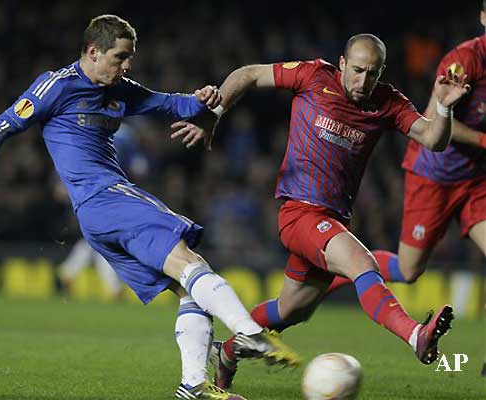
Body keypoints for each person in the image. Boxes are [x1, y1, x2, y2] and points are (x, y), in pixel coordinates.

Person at [0, 14, 300, 400]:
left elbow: (170, 104)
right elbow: (3, 126)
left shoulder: (121, 90)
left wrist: (205, 99)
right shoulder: (57, 85)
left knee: (188, 284)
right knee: (190, 263)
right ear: (93, 51)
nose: (127, 66)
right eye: (120, 57)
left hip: (99, 214)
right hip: (105, 197)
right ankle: (250, 333)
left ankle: (193, 385)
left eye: (129, 58)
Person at [171, 33, 469, 389]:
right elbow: (248, 74)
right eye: (357, 70)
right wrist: (215, 114)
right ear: (342, 63)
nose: (363, 81)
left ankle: (228, 352)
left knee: (291, 309)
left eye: (372, 73)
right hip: (299, 213)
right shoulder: (313, 76)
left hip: (333, 220)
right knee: (363, 264)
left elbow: (433, 139)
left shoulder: (387, 102)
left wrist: (444, 107)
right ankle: (415, 334)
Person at [325, 2, 486, 376]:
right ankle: (346, 269)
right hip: (434, 175)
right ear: (483, 17)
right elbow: (432, 121)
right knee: (409, 269)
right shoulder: (464, 61)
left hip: (477, 180)